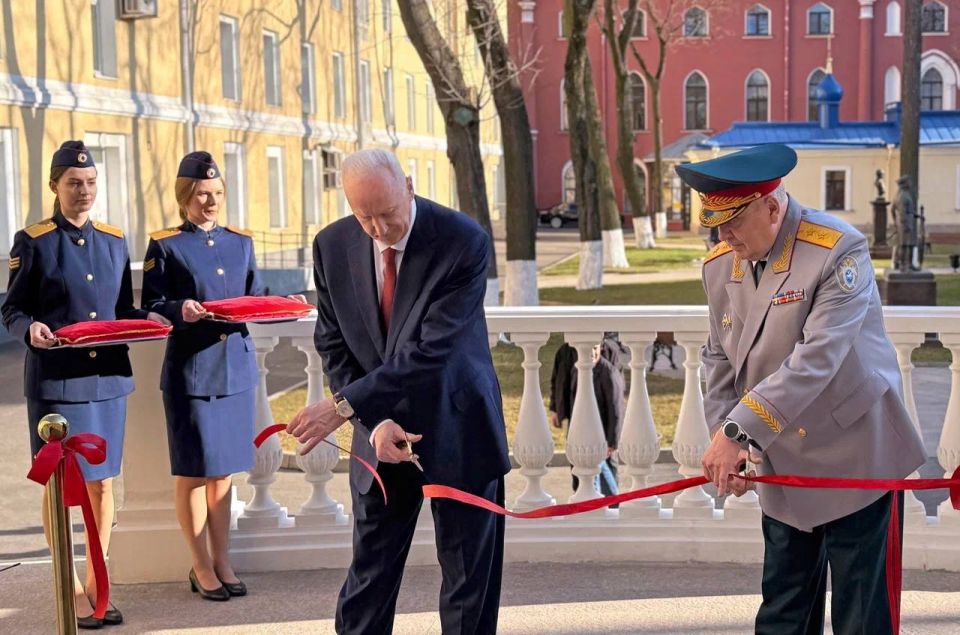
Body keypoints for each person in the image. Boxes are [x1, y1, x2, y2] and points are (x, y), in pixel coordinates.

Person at [679, 144, 926, 635]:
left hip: (857, 459)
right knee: (783, 613)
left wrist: (739, 430)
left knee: (861, 619)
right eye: (716, 224)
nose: (723, 235)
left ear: (772, 207)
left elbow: (817, 361)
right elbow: (720, 358)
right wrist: (731, 442)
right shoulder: (720, 266)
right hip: (783, 459)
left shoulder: (837, 249)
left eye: (733, 221)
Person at [286, 148, 510, 634]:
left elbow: (432, 351)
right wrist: (374, 420)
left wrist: (345, 405)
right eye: (364, 216)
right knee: (370, 574)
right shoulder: (331, 245)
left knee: (468, 581)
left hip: (457, 423)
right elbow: (333, 341)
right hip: (379, 431)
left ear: (408, 186)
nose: (379, 229)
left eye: (388, 214)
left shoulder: (463, 240)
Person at [1, 140, 170, 628]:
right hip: (57, 383)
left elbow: (122, 312)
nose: (85, 192)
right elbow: (12, 309)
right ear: (55, 186)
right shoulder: (33, 241)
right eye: (75, 184)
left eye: (92, 183)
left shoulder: (114, 241)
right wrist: (29, 329)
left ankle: (98, 582)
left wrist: (161, 318)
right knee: (60, 485)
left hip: (107, 379)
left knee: (102, 484)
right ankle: (71, 586)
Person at [142, 151, 304, 602]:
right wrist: (180, 310)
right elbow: (150, 306)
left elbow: (252, 297)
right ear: (185, 197)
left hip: (235, 368)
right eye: (200, 194)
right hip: (191, 372)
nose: (209, 202)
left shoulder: (241, 242)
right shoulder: (166, 245)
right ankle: (200, 565)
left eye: (215, 194)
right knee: (194, 473)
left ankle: (223, 559)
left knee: (225, 475)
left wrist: (280, 302)